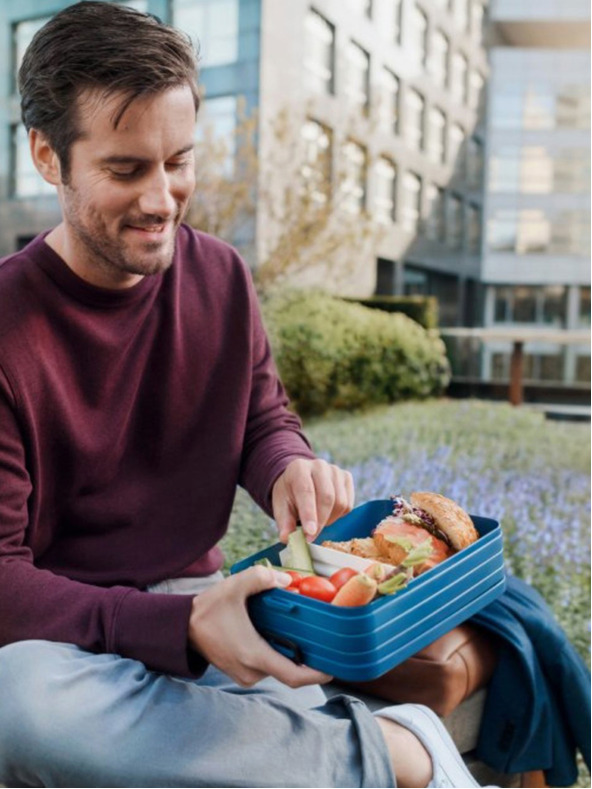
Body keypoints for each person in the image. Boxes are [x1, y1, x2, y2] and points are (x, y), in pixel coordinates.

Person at [0, 3, 488, 787]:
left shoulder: (221, 276)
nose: (163, 198)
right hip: (69, 637)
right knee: (17, 701)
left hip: (213, 602)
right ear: (48, 156)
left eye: (180, 160)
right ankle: (398, 752)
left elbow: (263, 415)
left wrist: (288, 465)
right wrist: (177, 627)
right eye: (127, 170)